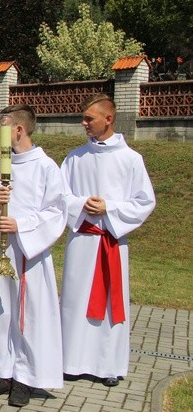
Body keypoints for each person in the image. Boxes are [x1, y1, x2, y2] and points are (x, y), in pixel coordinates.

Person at [60, 94, 156, 387]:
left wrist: (109, 208)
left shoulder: (131, 159)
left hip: (111, 242)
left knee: (111, 306)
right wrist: (80, 205)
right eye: (84, 118)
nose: (84, 123)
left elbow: (145, 201)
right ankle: (71, 361)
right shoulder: (74, 157)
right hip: (82, 241)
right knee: (75, 300)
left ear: (109, 119)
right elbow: (59, 197)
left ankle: (108, 366)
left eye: (89, 118)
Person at [0, 104, 67, 407]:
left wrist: (21, 225)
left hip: (28, 250)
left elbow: (56, 212)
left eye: (3, 125)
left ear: (18, 129)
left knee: (28, 314)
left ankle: (26, 377)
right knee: (1, 313)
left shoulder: (45, 167)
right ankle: (2, 372)